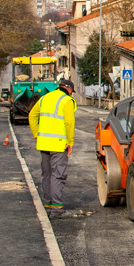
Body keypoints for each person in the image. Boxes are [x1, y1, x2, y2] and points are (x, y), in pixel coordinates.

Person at [29, 75, 76, 213]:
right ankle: (57, 206)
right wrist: (70, 142)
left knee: (47, 174)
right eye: (72, 91)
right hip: (59, 144)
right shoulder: (67, 100)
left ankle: (48, 203)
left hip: (43, 143)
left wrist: (36, 135)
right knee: (58, 174)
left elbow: (32, 115)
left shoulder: (45, 98)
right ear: (69, 89)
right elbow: (69, 123)